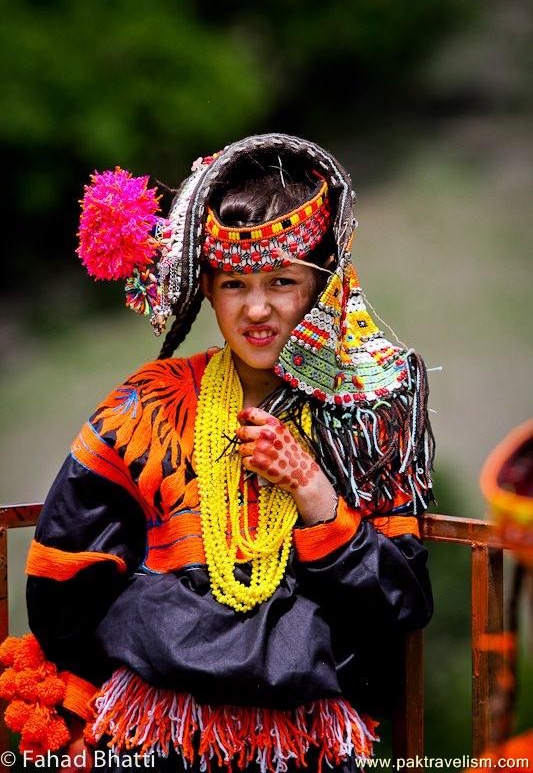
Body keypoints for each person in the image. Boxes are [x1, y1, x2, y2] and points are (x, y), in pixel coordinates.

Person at [1, 134, 435, 772]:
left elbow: (401, 603)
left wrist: (312, 489)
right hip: (154, 737)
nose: (257, 309)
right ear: (207, 289)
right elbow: (63, 592)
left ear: (323, 286)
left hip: (309, 745)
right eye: (235, 283)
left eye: (282, 281)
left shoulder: (367, 416)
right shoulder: (148, 407)